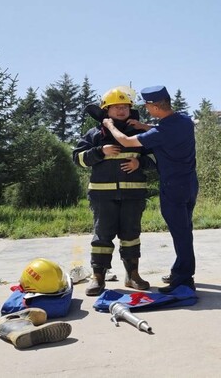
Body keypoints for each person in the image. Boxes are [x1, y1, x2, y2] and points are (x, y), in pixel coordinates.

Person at [103, 85, 198, 294]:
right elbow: (163, 131)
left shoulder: (161, 131)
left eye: (147, 105)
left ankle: (183, 279)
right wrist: (142, 125)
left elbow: (126, 140)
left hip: (173, 188)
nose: (146, 109)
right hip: (190, 185)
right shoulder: (184, 121)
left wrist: (110, 125)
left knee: (180, 233)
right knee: (185, 230)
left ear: (154, 106)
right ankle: (180, 270)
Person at [73, 87, 154, 296]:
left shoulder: (139, 133)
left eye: (124, 107)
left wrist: (140, 162)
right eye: (116, 107)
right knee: (102, 236)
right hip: (102, 196)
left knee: (131, 235)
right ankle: (98, 278)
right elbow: (78, 159)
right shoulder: (94, 134)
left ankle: (133, 275)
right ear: (106, 111)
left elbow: (156, 158)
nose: (121, 111)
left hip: (133, 195)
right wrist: (100, 151)